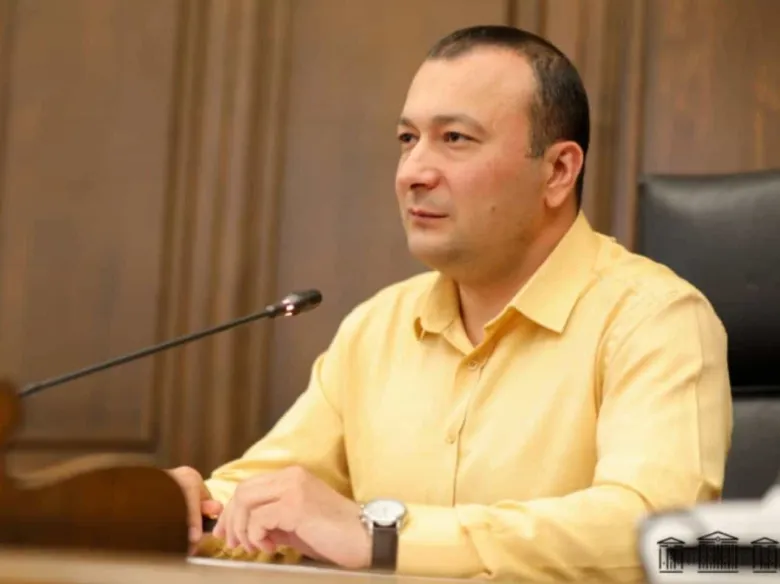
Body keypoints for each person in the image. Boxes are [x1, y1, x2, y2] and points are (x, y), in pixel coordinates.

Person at [168, 25, 732, 581]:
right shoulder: (377, 326)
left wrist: (380, 537)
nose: (413, 172)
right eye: (408, 139)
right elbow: (261, 504)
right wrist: (179, 512)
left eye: (455, 139)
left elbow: (654, 533)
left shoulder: (654, 320)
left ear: (558, 170)